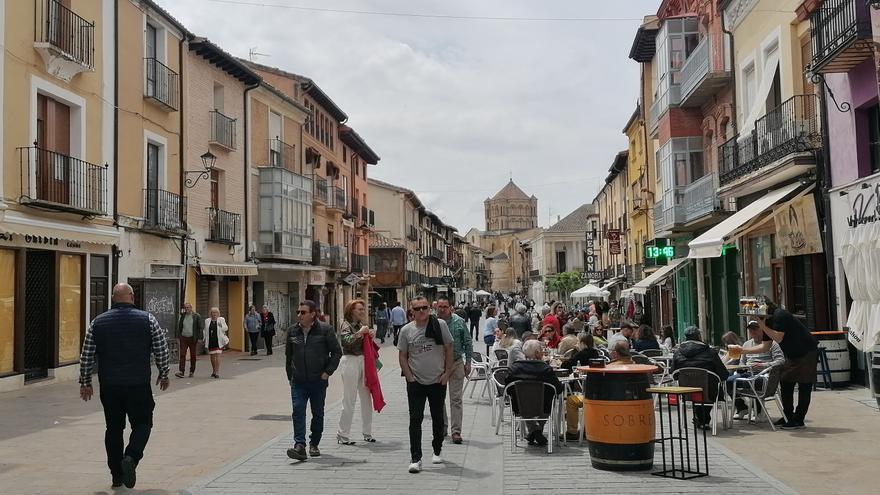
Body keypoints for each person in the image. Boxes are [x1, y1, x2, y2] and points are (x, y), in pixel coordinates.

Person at [79, 283, 170, 489]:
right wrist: (164, 373)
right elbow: (161, 349)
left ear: (113, 298)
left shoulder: (98, 322)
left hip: (110, 385)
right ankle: (131, 457)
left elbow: (87, 355)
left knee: (113, 428)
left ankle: (116, 475)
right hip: (138, 383)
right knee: (143, 423)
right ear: (131, 296)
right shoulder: (147, 319)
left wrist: (85, 382)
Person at [729, 299, 818, 429]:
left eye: (756, 309)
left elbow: (778, 338)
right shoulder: (767, 321)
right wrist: (742, 350)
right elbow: (765, 347)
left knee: (804, 385)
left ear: (765, 308)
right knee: (785, 381)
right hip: (792, 355)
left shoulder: (779, 315)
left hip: (806, 352)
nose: (754, 313)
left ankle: (799, 419)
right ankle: (788, 416)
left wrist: (762, 324)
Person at [398, 296, 454, 474]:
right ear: (412, 312)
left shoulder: (440, 325)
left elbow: (449, 348)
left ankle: (437, 450)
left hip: (437, 380)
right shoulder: (406, 330)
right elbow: (402, 355)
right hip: (416, 381)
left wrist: (447, 373)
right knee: (415, 419)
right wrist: (409, 376)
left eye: (425, 307)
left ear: (430, 308)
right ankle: (416, 458)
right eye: (418, 308)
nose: (422, 311)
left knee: (438, 418)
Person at [285, 301, 342, 461]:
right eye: (298, 312)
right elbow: (289, 356)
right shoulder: (292, 331)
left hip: (318, 381)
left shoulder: (325, 330)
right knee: (298, 411)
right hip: (298, 381)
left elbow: (337, 352)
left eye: (303, 312)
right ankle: (300, 446)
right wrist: (290, 376)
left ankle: (314, 443)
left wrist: (327, 372)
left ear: (312, 314)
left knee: (317, 414)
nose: (299, 315)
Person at [504, 340, 563, 446]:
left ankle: (534, 432)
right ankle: (537, 431)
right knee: (548, 401)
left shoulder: (514, 369)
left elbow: (508, 389)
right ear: (536, 352)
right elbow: (558, 389)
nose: (543, 352)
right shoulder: (546, 369)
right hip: (543, 408)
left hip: (520, 407)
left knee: (523, 400)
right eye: (541, 350)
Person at [672, 326, 729, 429]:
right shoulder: (710, 352)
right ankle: (704, 420)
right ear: (699, 336)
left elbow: (674, 374)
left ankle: (701, 419)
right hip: (708, 391)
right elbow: (723, 374)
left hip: (686, 391)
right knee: (708, 387)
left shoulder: (677, 352)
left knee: (695, 388)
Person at [337, 299, 377, 445]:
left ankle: (367, 432)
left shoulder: (360, 325)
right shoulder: (345, 325)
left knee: (366, 397)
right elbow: (346, 341)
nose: (362, 312)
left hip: (362, 361)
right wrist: (360, 334)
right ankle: (343, 434)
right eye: (359, 309)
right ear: (351, 311)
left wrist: (370, 335)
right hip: (350, 361)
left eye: (362, 309)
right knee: (349, 398)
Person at [729, 321, 785, 421]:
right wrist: (743, 367)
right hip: (748, 372)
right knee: (727, 381)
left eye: (755, 328)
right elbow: (742, 362)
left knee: (753, 382)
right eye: (750, 329)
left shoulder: (772, 343)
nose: (752, 331)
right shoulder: (746, 344)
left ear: (762, 329)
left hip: (765, 375)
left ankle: (759, 411)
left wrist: (763, 365)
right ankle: (742, 408)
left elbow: (780, 361)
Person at [437, 296, 472, 444]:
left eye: (445, 306)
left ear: (451, 307)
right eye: (440, 307)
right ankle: (443, 427)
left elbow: (468, 341)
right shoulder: (432, 322)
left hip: (457, 363)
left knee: (456, 399)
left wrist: (468, 361)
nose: (442, 309)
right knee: (438, 399)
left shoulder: (459, 322)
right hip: (438, 365)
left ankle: (456, 431)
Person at [175, 302, 203, 378]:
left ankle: (192, 371)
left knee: (193, 355)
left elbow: (200, 327)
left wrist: (199, 338)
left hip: (192, 338)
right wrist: (179, 336)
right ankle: (181, 371)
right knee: (183, 354)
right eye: (185, 307)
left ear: (191, 308)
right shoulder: (183, 316)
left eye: (188, 307)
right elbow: (180, 326)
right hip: (183, 337)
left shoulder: (196, 316)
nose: (186, 309)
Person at [205, 307, 229, 379]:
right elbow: (205, 330)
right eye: (213, 312)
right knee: (212, 356)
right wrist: (204, 338)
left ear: (218, 313)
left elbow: (226, 328)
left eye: (215, 312)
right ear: (210, 313)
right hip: (211, 340)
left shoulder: (221, 319)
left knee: (218, 355)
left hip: (219, 340)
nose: (214, 314)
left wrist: (221, 325)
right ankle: (214, 371)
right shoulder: (207, 320)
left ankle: (217, 372)